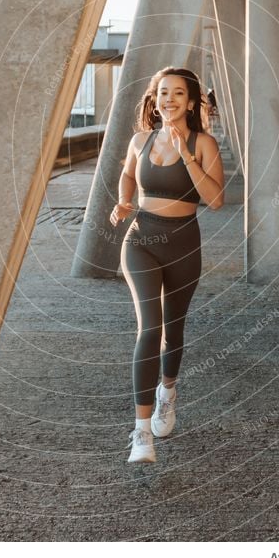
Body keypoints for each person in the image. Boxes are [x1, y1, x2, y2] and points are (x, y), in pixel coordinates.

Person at [109, 67, 225, 462]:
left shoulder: (204, 143)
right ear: (154, 100)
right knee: (150, 328)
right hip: (141, 240)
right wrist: (123, 201)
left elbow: (216, 200)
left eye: (177, 93)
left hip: (183, 243)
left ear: (190, 102)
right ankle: (141, 434)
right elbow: (127, 176)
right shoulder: (140, 140)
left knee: (172, 332)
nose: (168, 99)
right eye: (162, 93)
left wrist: (188, 155)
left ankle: (167, 394)